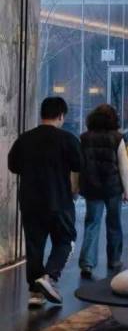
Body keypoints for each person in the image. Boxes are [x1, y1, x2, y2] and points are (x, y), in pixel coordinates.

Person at [8, 97, 81, 307]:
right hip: (59, 200)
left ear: (42, 114)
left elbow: (13, 165)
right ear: (61, 116)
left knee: (34, 245)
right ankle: (49, 277)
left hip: (30, 201)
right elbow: (79, 165)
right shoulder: (67, 139)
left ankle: (35, 293)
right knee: (65, 239)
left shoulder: (25, 139)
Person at [78, 104, 128, 278]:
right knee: (114, 224)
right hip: (113, 187)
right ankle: (114, 259)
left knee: (91, 224)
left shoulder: (84, 138)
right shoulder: (117, 138)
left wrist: (75, 187)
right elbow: (124, 167)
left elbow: (78, 166)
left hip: (92, 187)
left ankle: (87, 263)